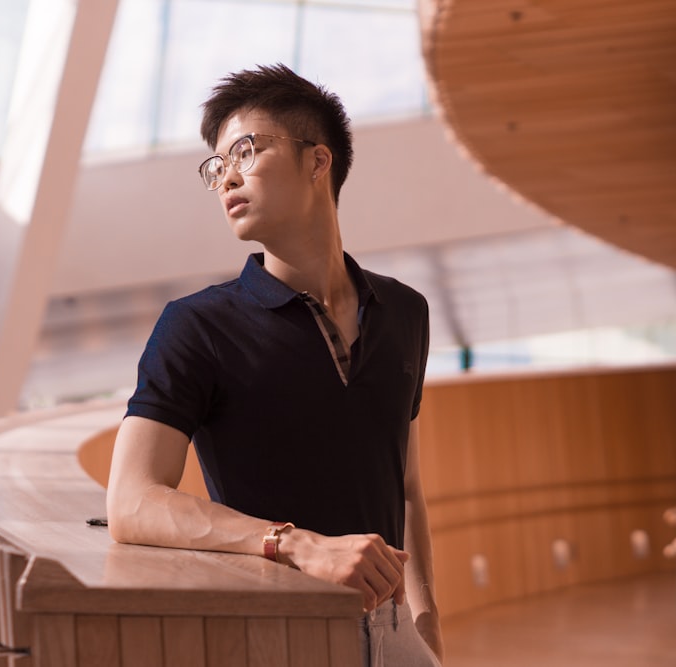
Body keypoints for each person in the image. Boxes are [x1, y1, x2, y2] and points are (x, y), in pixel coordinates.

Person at [106, 63, 442, 666]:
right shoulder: (197, 327)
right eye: (216, 167)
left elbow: (407, 486)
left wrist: (424, 618)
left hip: (396, 638)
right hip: (272, 637)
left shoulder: (406, 313)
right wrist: (296, 546)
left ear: (319, 161)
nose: (226, 177)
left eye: (245, 150)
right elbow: (130, 501)